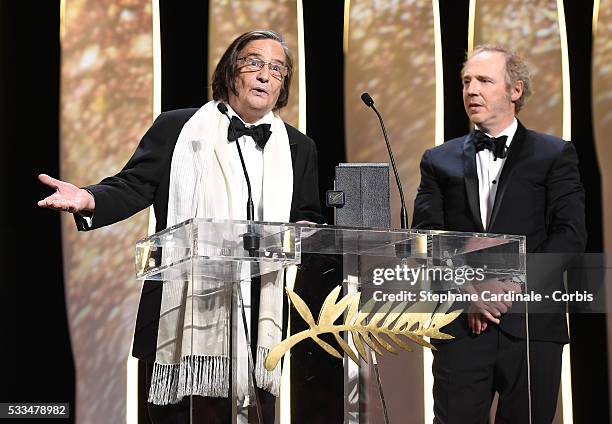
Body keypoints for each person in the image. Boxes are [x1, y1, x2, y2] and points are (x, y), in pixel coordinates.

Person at [38, 29, 323, 423]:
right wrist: (90, 199)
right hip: (179, 307)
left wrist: (310, 233)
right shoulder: (179, 128)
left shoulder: (298, 147)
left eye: (277, 69)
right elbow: (135, 185)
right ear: (230, 71)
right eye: (254, 63)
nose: (264, 75)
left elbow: (306, 218)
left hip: (261, 318)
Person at [412, 44, 585, 423]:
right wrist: (471, 290)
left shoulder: (554, 154)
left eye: (484, 81)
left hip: (532, 325)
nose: (472, 90)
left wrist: (506, 284)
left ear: (515, 90)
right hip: (460, 326)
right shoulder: (437, 160)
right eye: (466, 81)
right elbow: (427, 238)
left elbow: (570, 236)